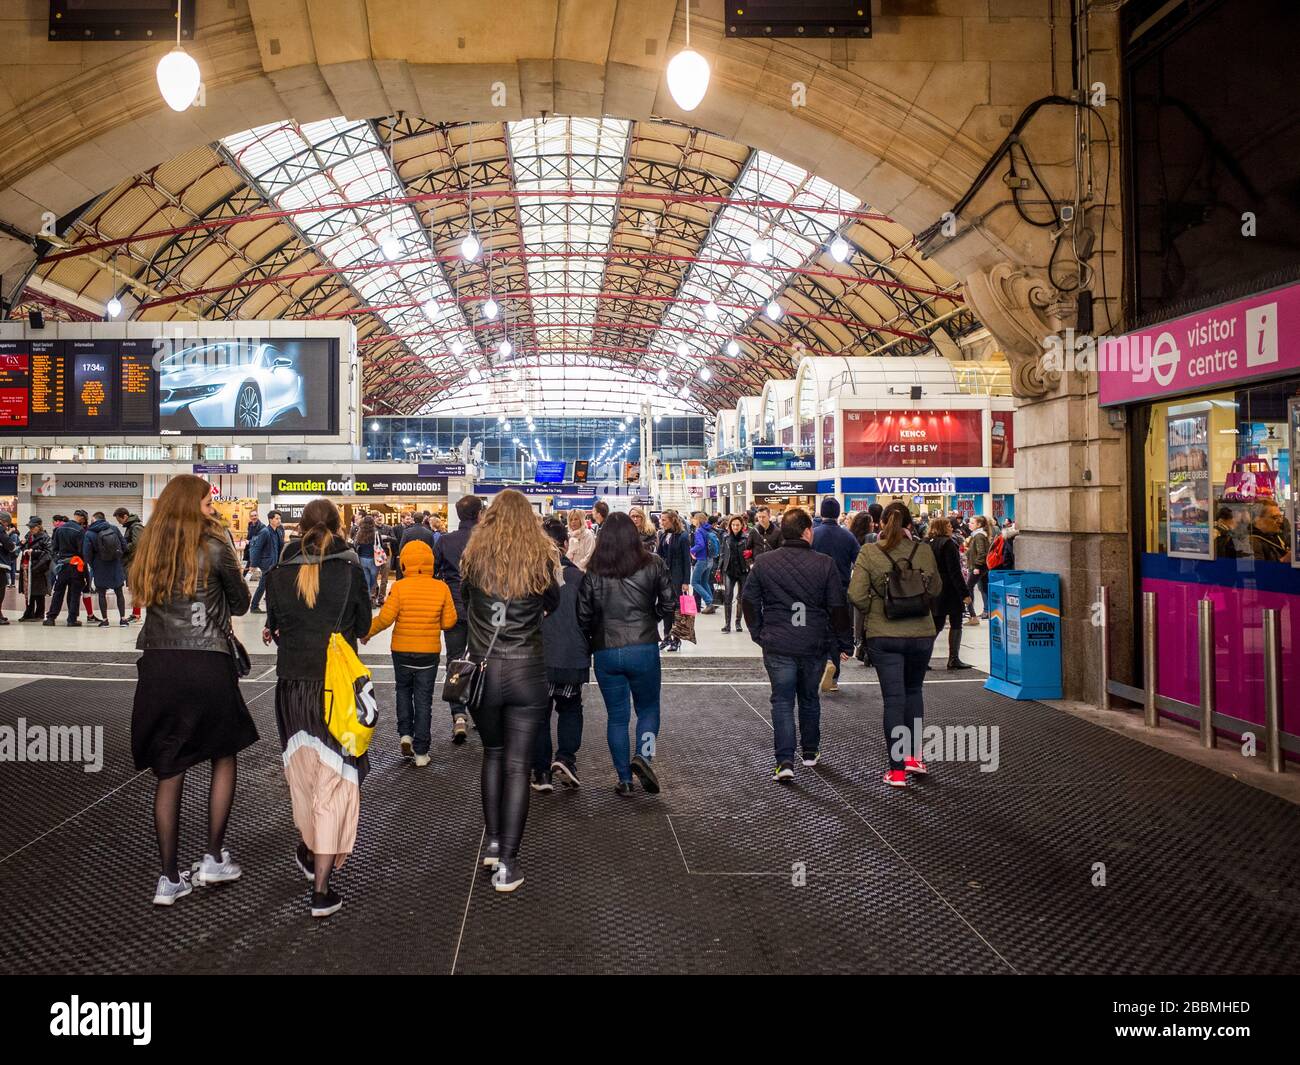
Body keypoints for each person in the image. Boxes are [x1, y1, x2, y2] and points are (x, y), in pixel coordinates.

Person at [130, 475, 258, 906]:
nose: (213, 508)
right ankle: (214, 856)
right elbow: (239, 603)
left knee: (169, 767)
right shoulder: (216, 546)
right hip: (207, 659)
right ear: (193, 505)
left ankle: (168, 879)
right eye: (208, 502)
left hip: (159, 662)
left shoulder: (149, 549)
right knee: (224, 753)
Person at [264, 498, 372, 918]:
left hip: (290, 688)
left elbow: (273, 625)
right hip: (335, 692)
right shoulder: (350, 571)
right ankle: (322, 889)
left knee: (303, 777)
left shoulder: (278, 573)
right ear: (340, 526)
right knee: (335, 781)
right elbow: (362, 628)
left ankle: (309, 851)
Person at [459, 488, 561, 892]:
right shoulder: (540, 558)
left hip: (483, 672)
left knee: (493, 754)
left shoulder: (474, 557)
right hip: (526, 670)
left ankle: (494, 840)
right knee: (519, 765)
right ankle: (508, 864)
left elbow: (466, 603)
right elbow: (553, 599)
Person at [742, 507, 851, 781]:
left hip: (777, 642)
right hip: (813, 642)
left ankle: (785, 761)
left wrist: (758, 632)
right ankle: (811, 752)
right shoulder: (824, 564)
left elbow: (749, 600)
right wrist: (843, 642)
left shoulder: (764, 563)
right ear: (806, 532)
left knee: (781, 700)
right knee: (809, 697)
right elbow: (837, 606)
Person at [577, 511, 675, 796]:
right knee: (648, 709)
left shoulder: (594, 570)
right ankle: (644, 757)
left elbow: (583, 615)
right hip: (643, 646)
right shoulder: (653, 563)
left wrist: (594, 636)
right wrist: (650, 619)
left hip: (606, 650)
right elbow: (669, 604)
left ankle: (624, 779)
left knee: (617, 717)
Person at [848, 501, 942, 789]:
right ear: (909, 525)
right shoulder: (923, 550)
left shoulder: (870, 552)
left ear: (880, 524)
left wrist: (878, 608)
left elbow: (855, 594)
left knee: (894, 700)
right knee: (914, 692)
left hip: (884, 635)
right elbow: (936, 588)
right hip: (921, 634)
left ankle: (897, 771)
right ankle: (915, 757)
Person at [365, 538, 456, 767]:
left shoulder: (400, 587)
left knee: (403, 691)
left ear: (403, 563)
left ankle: (405, 734)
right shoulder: (441, 587)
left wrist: (366, 633)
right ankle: (422, 753)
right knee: (424, 700)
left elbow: (386, 619)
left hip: (402, 652)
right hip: (428, 654)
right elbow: (449, 622)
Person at [531, 516, 590, 791]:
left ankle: (541, 773)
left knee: (540, 713)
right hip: (571, 655)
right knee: (570, 707)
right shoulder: (580, 577)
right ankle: (565, 758)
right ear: (566, 545)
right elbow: (589, 616)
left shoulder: (531, 576)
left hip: (537, 657)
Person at [434, 494, 482, 744]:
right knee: (482, 661)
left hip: (453, 608)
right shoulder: (488, 541)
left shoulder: (445, 540)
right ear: (479, 514)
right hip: (482, 612)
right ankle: (480, 712)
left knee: (454, 661)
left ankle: (459, 715)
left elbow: (434, 571)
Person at [811, 497, 859, 693]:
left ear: (822, 513)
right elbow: (859, 561)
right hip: (841, 589)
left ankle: (821, 666)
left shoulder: (813, 534)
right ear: (839, 514)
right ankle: (834, 674)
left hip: (816, 589)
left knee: (817, 629)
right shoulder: (848, 537)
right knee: (837, 630)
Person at [926, 517, 972, 670]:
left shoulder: (927, 543)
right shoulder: (949, 544)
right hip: (950, 589)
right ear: (941, 527)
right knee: (956, 621)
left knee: (936, 624)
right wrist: (964, 593)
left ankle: (923, 657)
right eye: (947, 525)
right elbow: (955, 572)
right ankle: (954, 658)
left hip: (934, 587)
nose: (951, 527)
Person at [83, 511, 129, 626]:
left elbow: (86, 553)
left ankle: (105, 620)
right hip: (115, 565)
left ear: (94, 520)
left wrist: (93, 564)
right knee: (119, 593)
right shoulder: (114, 528)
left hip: (99, 566)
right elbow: (124, 546)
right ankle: (123, 619)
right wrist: (119, 560)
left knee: (101, 594)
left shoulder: (89, 533)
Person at [656, 510, 693, 651]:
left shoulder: (683, 537)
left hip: (677, 577)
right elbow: (659, 555)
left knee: (676, 609)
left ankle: (676, 639)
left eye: (664, 520)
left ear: (672, 520)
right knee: (666, 606)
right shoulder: (663, 534)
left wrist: (685, 581)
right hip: (664, 576)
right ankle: (666, 637)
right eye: (661, 519)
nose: (662, 522)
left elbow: (686, 560)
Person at [45, 509, 88, 626]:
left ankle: (51, 618)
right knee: (74, 593)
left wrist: (58, 561)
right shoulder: (80, 530)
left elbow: (54, 549)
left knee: (58, 591)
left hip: (63, 566)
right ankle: (72, 619)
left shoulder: (60, 529)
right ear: (82, 518)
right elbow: (82, 551)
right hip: (76, 566)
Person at [719, 515, 759, 633]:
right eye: (733, 525)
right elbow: (722, 554)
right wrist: (718, 569)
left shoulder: (746, 538)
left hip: (743, 571)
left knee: (741, 597)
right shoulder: (725, 538)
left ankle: (738, 623)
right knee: (727, 596)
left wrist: (750, 561)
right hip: (728, 570)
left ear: (742, 526)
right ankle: (727, 624)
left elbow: (751, 553)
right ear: (730, 526)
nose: (735, 527)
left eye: (737, 525)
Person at [248, 510, 284, 613]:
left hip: (274, 562)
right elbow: (257, 548)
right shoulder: (265, 532)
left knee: (269, 585)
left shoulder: (278, 531)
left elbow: (279, 547)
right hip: (267, 564)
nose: (279, 520)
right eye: (277, 518)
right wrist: (253, 564)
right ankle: (254, 606)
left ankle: (269, 606)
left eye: (279, 518)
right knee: (263, 585)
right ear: (270, 520)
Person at [113, 507, 146, 620]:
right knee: (134, 588)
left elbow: (138, 544)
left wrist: (123, 548)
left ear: (125, 516)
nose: (119, 522)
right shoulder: (131, 527)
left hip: (134, 562)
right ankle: (135, 613)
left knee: (136, 588)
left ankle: (137, 615)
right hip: (131, 562)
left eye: (119, 520)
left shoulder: (136, 527)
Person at [19, 516, 52, 621]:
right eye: (30, 527)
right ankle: (29, 612)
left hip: (39, 568)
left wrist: (34, 552)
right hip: (27, 568)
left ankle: (39, 614)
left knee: (39, 593)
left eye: (33, 527)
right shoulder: (29, 535)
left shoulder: (45, 537)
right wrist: (22, 544)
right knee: (28, 592)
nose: (31, 529)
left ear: (39, 526)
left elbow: (49, 554)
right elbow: (23, 548)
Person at [689, 511, 718, 613]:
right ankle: (711, 604)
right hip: (710, 559)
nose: (692, 520)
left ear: (698, 520)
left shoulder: (699, 531)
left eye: (694, 518)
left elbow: (700, 545)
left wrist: (691, 550)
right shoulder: (708, 529)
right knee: (704, 582)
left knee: (694, 582)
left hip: (702, 560)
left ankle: (709, 601)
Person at [965, 515, 991, 619]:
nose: (969, 524)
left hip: (979, 567)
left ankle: (972, 613)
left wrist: (976, 566)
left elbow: (982, 552)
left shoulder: (978, 536)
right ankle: (987, 611)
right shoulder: (978, 535)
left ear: (979, 525)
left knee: (969, 587)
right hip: (982, 566)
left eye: (972, 523)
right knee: (983, 588)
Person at [355, 514, 379, 603]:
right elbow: (379, 544)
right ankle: (372, 596)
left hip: (362, 558)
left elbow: (355, 544)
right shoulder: (376, 532)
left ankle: (368, 598)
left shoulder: (360, 532)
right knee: (373, 578)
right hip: (373, 559)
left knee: (366, 579)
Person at [241, 511, 264, 579]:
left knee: (255, 566)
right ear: (250, 517)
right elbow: (250, 535)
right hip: (250, 549)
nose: (254, 517)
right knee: (250, 565)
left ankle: (243, 580)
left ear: (258, 516)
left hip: (257, 550)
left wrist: (250, 541)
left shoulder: (262, 527)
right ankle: (243, 580)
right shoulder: (250, 525)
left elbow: (260, 539)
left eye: (255, 515)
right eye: (252, 516)